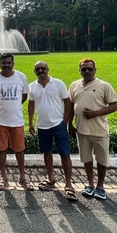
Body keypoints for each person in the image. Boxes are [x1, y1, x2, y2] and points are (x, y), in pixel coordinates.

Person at [69, 58, 117, 200]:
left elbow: (114, 106)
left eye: (90, 69)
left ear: (95, 70)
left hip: (99, 131)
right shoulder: (74, 85)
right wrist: (70, 124)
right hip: (82, 131)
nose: (87, 71)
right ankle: (90, 185)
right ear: (79, 71)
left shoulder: (104, 85)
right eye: (83, 69)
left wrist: (95, 113)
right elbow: (71, 106)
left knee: (102, 160)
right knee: (86, 159)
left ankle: (100, 186)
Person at [28, 61, 77, 201]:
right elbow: (31, 105)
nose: (41, 70)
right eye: (37, 69)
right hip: (42, 126)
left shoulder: (58, 83)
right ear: (34, 71)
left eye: (43, 68)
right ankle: (50, 179)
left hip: (58, 124)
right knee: (47, 153)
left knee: (65, 154)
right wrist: (31, 123)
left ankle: (68, 184)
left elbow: (68, 102)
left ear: (48, 69)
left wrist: (65, 122)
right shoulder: (32, 86)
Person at [0, 53, 33, 191]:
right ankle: (3, 177)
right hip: (0, 120)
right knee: (1, 149)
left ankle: (22, 177)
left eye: (9, 63)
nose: (6, 65)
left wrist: (15, 105)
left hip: (17, 120)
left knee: (19, 150)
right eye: (3, 63)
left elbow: (24, 95)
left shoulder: (21, 77)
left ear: (13, 63)